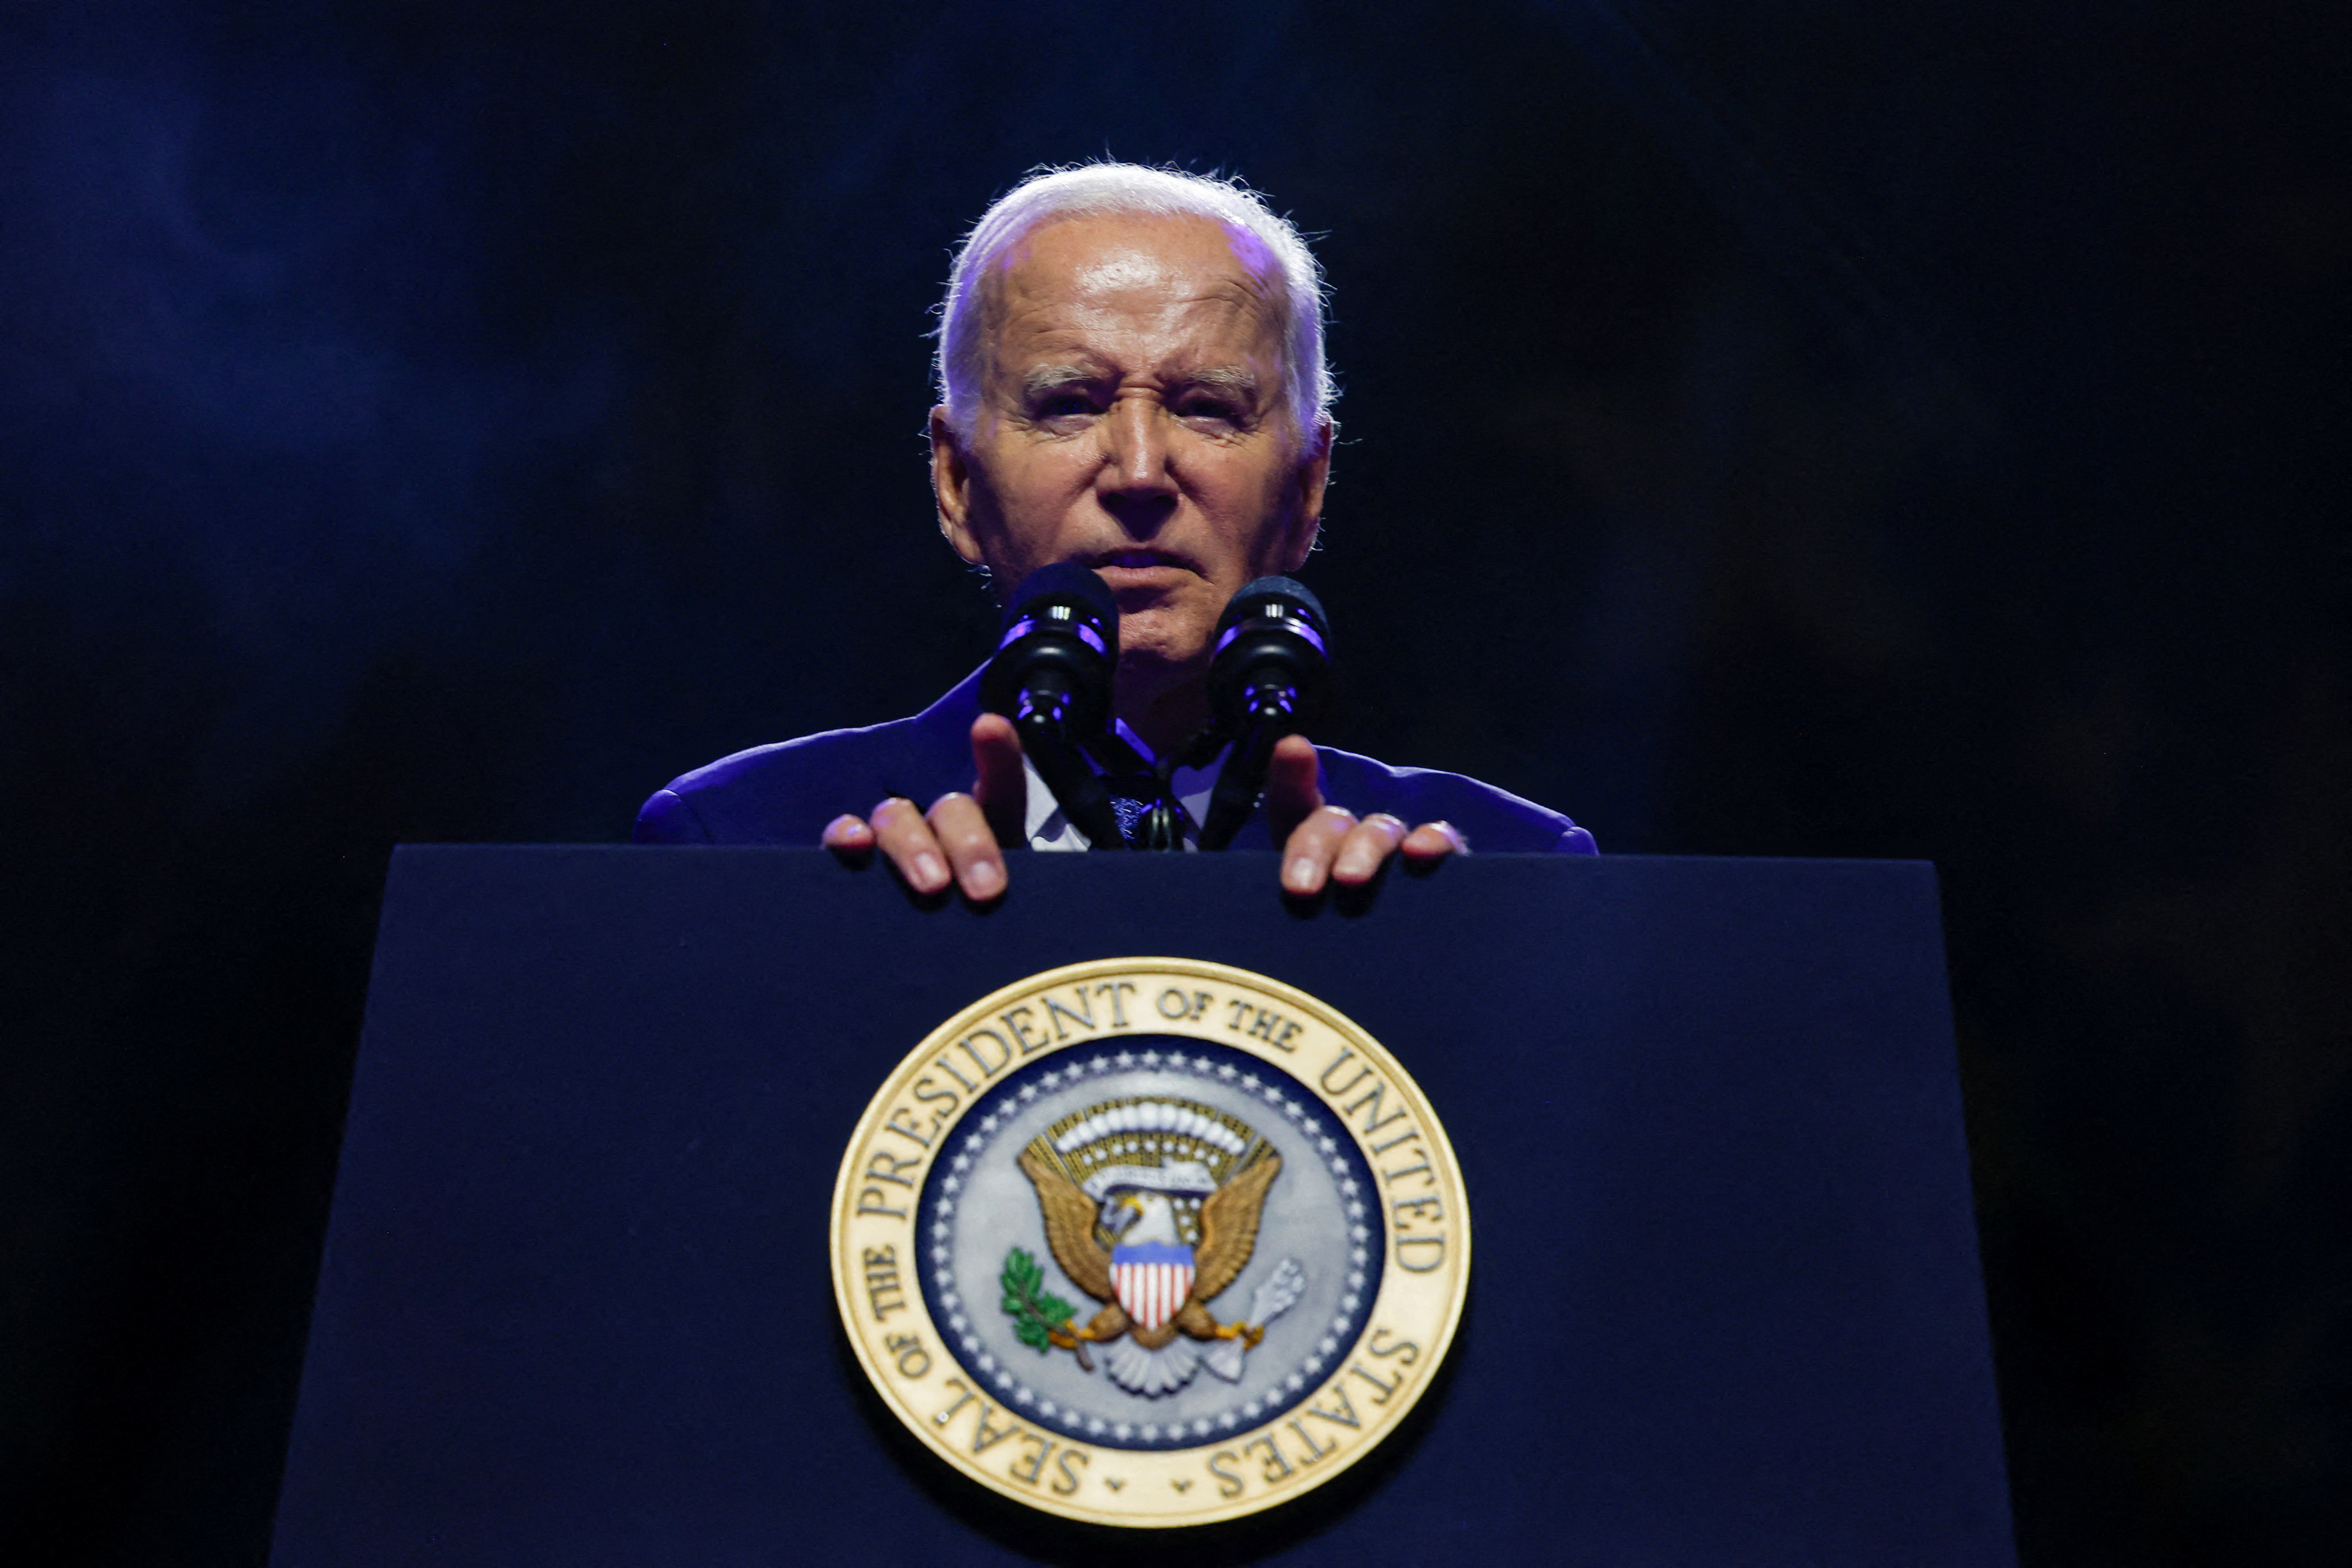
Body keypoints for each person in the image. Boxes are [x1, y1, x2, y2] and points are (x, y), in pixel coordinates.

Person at [634, 164, 1595, 892]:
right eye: (1068, 405)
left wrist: (1437, 973)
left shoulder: (1503, 879)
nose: (1139, 472)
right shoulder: (750, 848)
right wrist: (873, 965)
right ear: (955, 482)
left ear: (1309, 486)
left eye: (1208, 408)